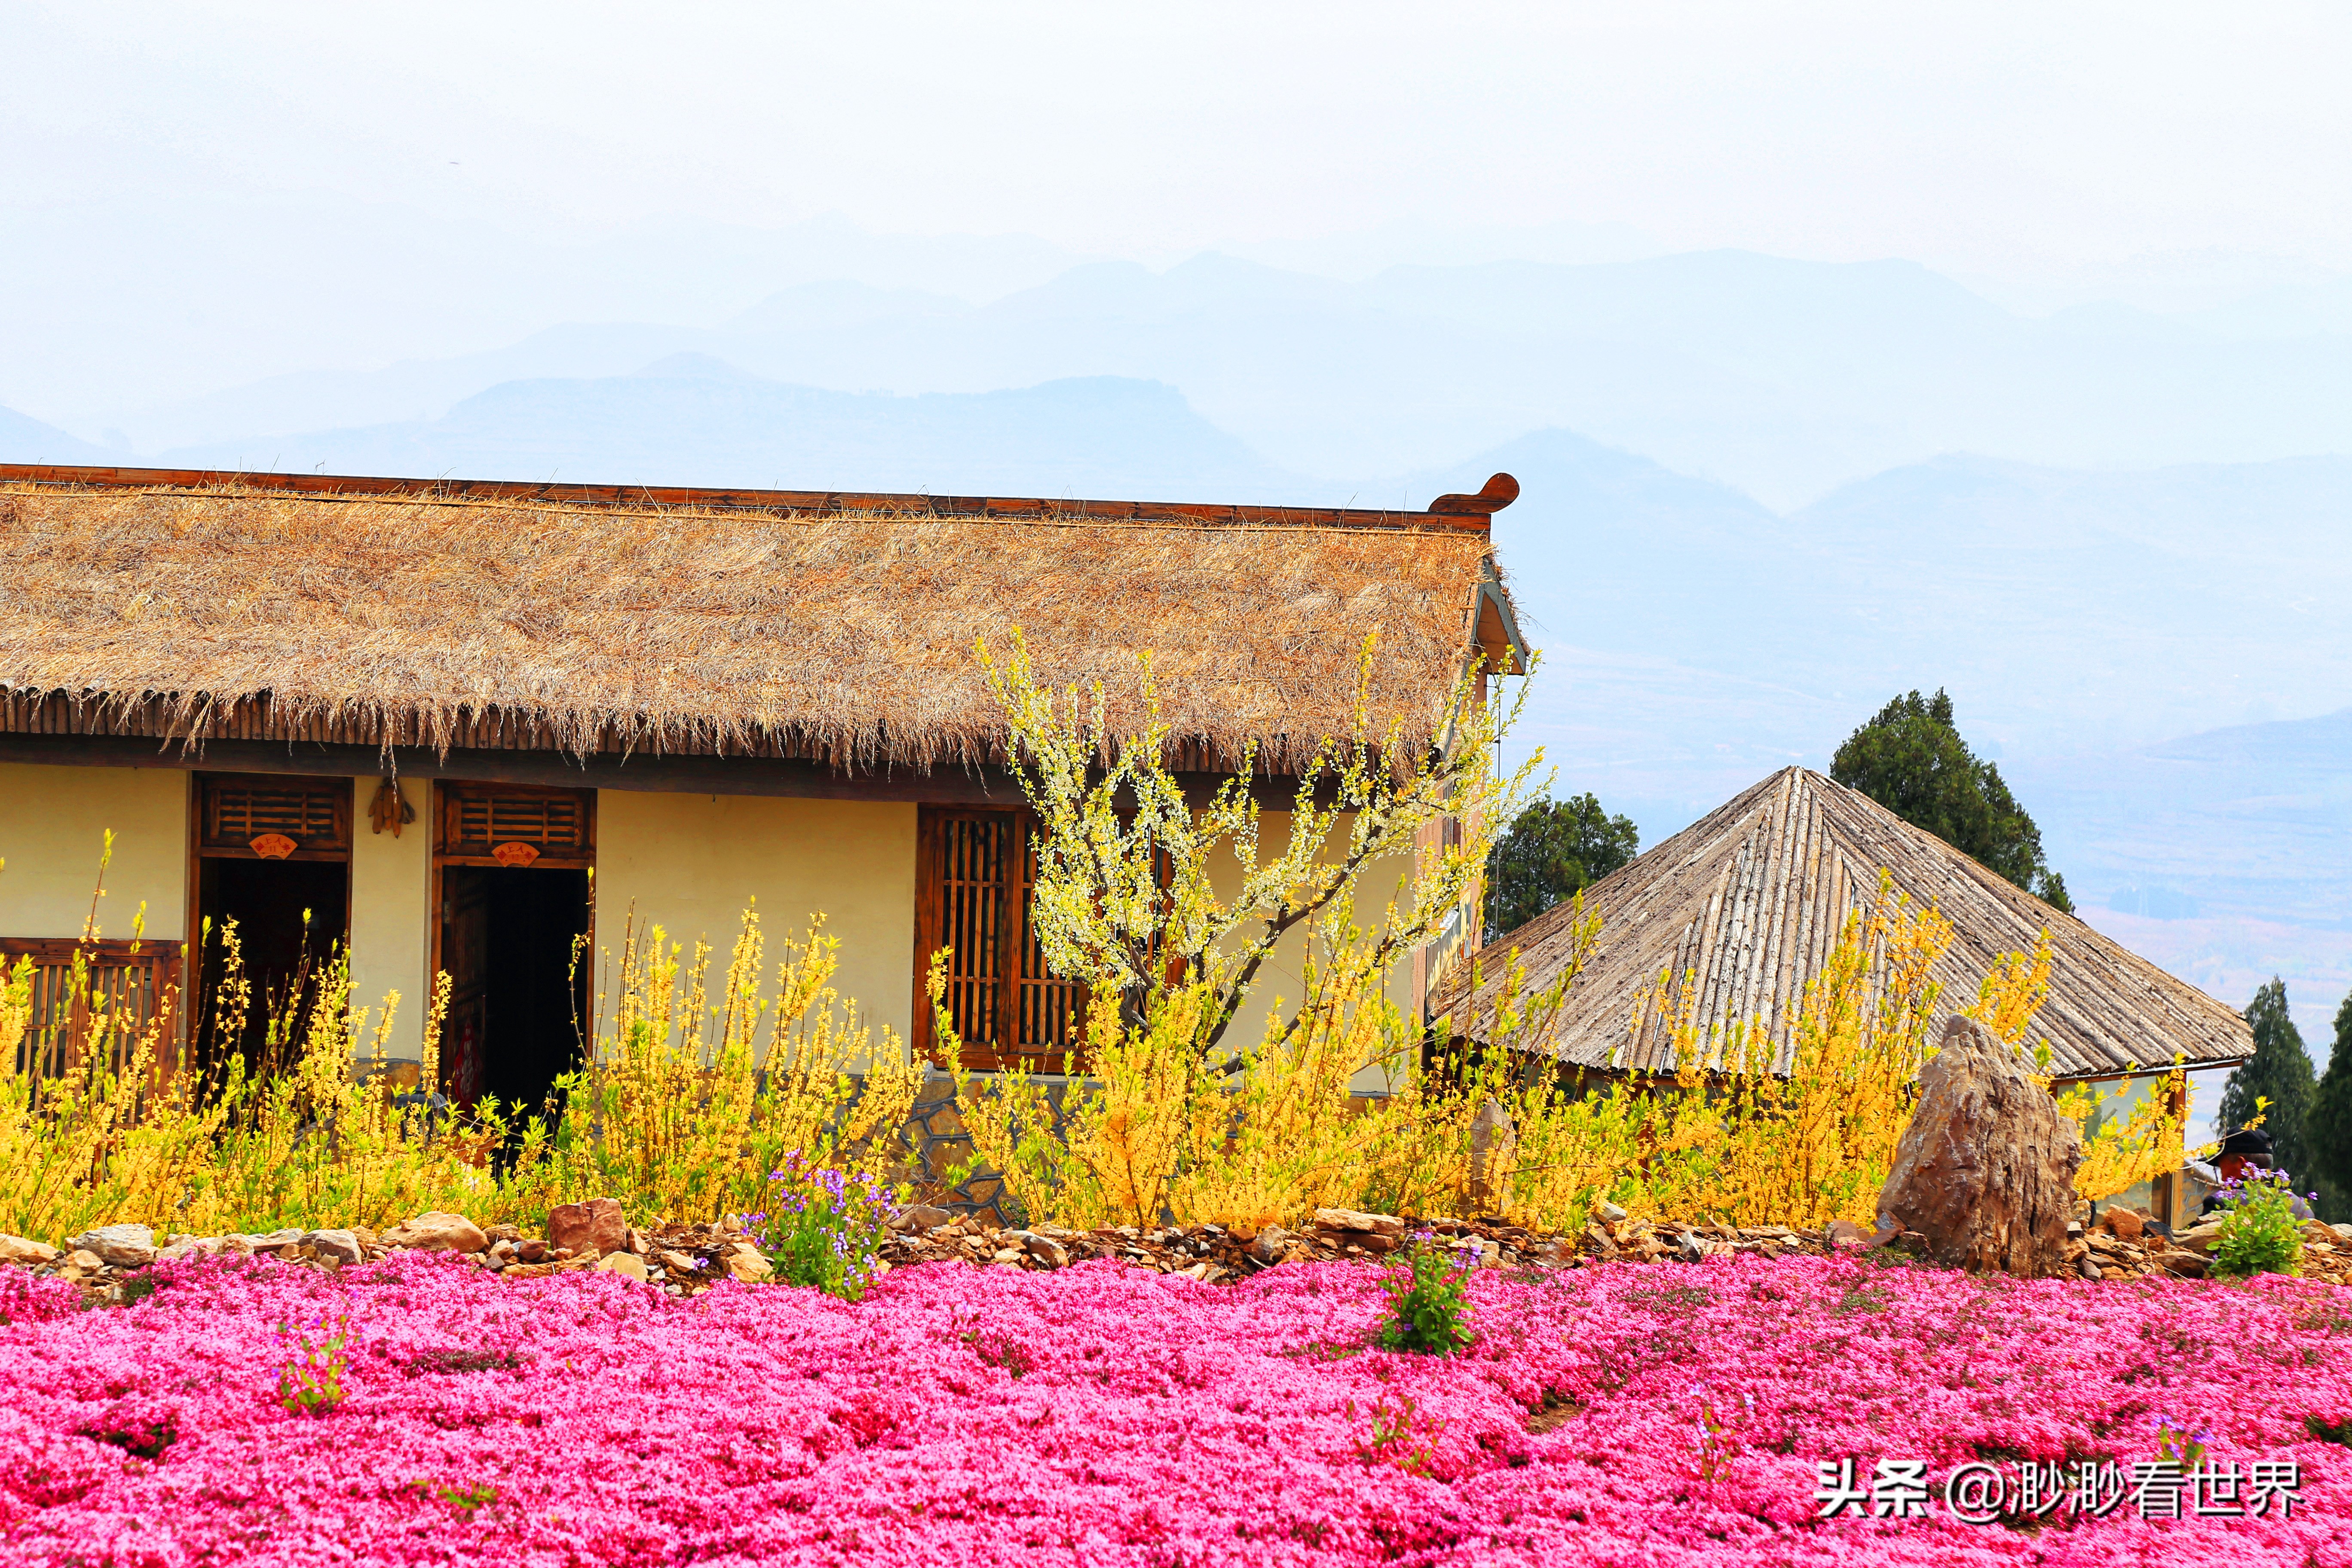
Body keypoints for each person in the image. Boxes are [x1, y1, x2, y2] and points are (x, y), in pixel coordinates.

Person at [2200, 1127, 2317, 1220]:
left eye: (2222, 1168)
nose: (2223, 1179)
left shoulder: (2224, 1202)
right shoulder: (2303, 1210)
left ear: (2244, 1165)